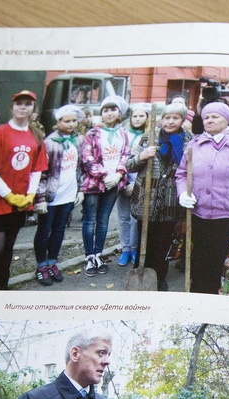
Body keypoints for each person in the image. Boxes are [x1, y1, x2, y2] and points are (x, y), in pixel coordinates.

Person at [176, 102, 229, 294]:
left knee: (227, 266)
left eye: (215, 116)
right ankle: (199, 300)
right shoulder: (194, 144)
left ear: (227, 119)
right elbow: (181, 174)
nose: (209, 120)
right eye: (206, 117)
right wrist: (182, 193)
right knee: (200, 263)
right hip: (200, 215)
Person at [0, 90, 48, 290]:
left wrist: (30, 195)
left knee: (8, 250)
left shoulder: (36, 136)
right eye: (19, 103)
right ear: (12, 107)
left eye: (27, 104)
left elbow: (36, 170)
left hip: (21, 204)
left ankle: (1, 290)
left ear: (33, 109)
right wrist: (9, 195)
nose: (22, 107)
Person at [126, 103, 193, 291]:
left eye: (176, 118)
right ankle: (140, 274)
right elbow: (129, 165)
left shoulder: (190, 141)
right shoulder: (148, 137)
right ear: (161, 119)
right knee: (143, 241)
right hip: (146, 199)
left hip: (170, 202)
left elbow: (192, 171)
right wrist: (142, 157)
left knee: (163, 244)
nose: (170, 121)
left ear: (182, 120)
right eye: (167, 117)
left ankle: (159, 277)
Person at [32, 104, 84, 286]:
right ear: (58, 122)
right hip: (51, 196)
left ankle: (52, 262)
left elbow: (81, 168)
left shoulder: (78, 140)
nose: (71, 124)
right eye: (67, 121)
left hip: (69, 195)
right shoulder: (49, 143)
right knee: (44, 232)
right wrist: (40, 199)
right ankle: (41, 266)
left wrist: (81, 190)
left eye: (74, 121)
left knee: (59, 230)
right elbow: (41, 173)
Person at [80, 95, 130, 277]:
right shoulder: (92, 134)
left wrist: (118, 174)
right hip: (94, 184)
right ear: (101, 113)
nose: (109, 113)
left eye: (113, 109)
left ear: (119, 113)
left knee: (103, 221)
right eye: (106, 110)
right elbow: (87, 159)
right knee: (90, 221)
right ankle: (89, 256)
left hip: (114, 184)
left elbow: (126, 154)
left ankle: (99, 254)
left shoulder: (123, 133)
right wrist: (105, 175)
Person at [117, 103, 150, 266]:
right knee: (123, 217)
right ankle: (125, 249)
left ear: (147, 118)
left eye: (141, 116)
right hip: (123, 181)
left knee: (135, 218)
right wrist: (123, 182)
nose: (137, 119)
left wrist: (137, 184)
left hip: (140, 183)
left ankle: (134, 248)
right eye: (134, 116)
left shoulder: (150, 135)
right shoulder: (123, 134)